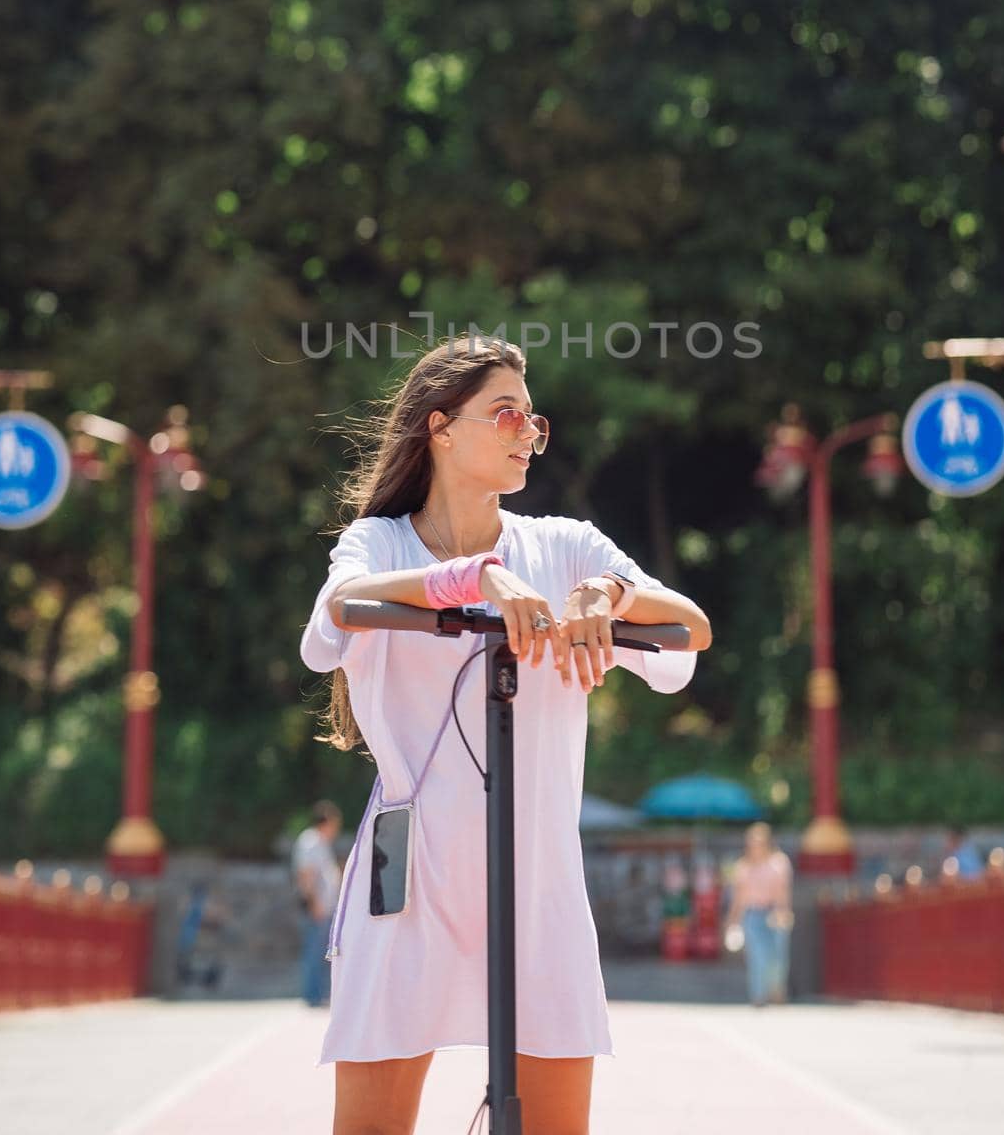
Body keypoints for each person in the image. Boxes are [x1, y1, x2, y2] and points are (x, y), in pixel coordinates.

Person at [299, 334, 712, 1135]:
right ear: (440, 427)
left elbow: (690, 629)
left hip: (538, 874)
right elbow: (340, 611)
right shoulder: (379, 543)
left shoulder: (564, 546)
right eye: (505, 414)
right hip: (407, 866)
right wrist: (472, 578)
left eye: (533, 419)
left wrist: (609, 594)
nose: (526, 431)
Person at [723, 822, 794, 1008]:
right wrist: (732, 921)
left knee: (778, 958)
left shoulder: (779, 863)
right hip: (752, 915)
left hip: (774, 912)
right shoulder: (742, 867)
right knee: (758, 956)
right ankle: (758, 996)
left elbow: (783, 890)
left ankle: (777, 989)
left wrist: (784, 911)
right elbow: (738, 897)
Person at [292, 799, 344, 1007]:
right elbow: (306, 874)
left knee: (320, 950)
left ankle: (318, 994)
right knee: (315, 951)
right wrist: (314, 903)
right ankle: (312, 995)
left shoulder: (319, 843)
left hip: (324, 906)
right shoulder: (310, 841)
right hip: (317, 907)